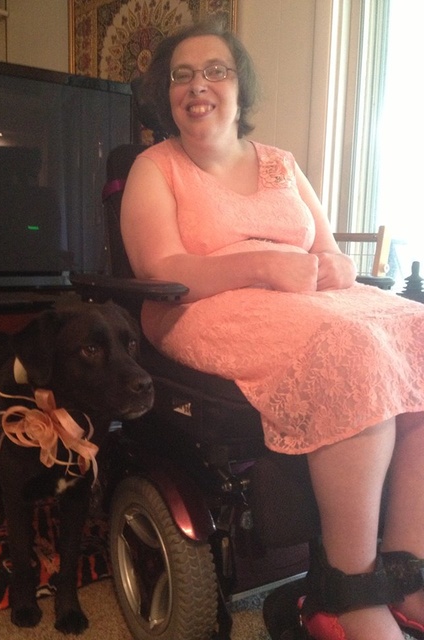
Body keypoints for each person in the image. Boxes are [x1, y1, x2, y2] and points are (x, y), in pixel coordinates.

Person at [120, 20, 424, 640]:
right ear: (165, 93)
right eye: (181, 74)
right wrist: (263, 263)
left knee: (418, 329)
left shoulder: (282, 165)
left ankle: (407, 575)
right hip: (199, 306)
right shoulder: (156, 166)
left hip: (301, 301)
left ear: (239, 88)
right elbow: (161, 269)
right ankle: (347, 594)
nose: (198, 85)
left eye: (215, 70)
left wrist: (334, 265)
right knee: (351, 351)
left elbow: (329, 251)